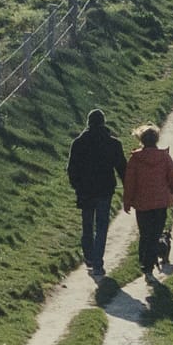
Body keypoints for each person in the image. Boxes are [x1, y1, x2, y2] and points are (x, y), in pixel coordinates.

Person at [67, 108, 127, 278]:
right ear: (103, 123)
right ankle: (98, 263)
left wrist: (77, 186)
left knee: (87, 225)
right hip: (104, 190)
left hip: (85, 191)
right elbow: (122, 168)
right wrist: (129, 187)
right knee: (101, 226)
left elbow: (71, 169)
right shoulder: (113, 144)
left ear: (88, 123)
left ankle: (89, 256)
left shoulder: (78, 143)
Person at [122, 123, 173, 280]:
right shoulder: (164, 157)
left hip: (142, 204)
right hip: (160, 203)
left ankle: (145, 264)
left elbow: (130, 183)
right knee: (155, 234)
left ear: (140, 139)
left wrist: (127, 201)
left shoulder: (135, 159)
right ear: (156, 139)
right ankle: (148, 267)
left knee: (145, 235)